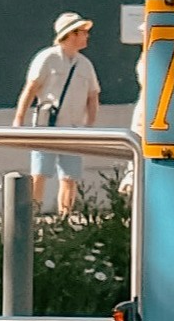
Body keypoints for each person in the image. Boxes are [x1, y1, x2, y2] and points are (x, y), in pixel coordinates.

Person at [15, 13, 106, 213]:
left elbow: (93, 96)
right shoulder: (47, 58)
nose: (87, 36)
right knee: (40, 173)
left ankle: (65, 217)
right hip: (46, 126)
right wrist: (19, 120)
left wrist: (90, 125)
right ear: (71, 34)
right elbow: (30, 89)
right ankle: (34, 217)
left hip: (73, 129)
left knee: (69, 177)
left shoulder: (85, 64)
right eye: (83, 32)